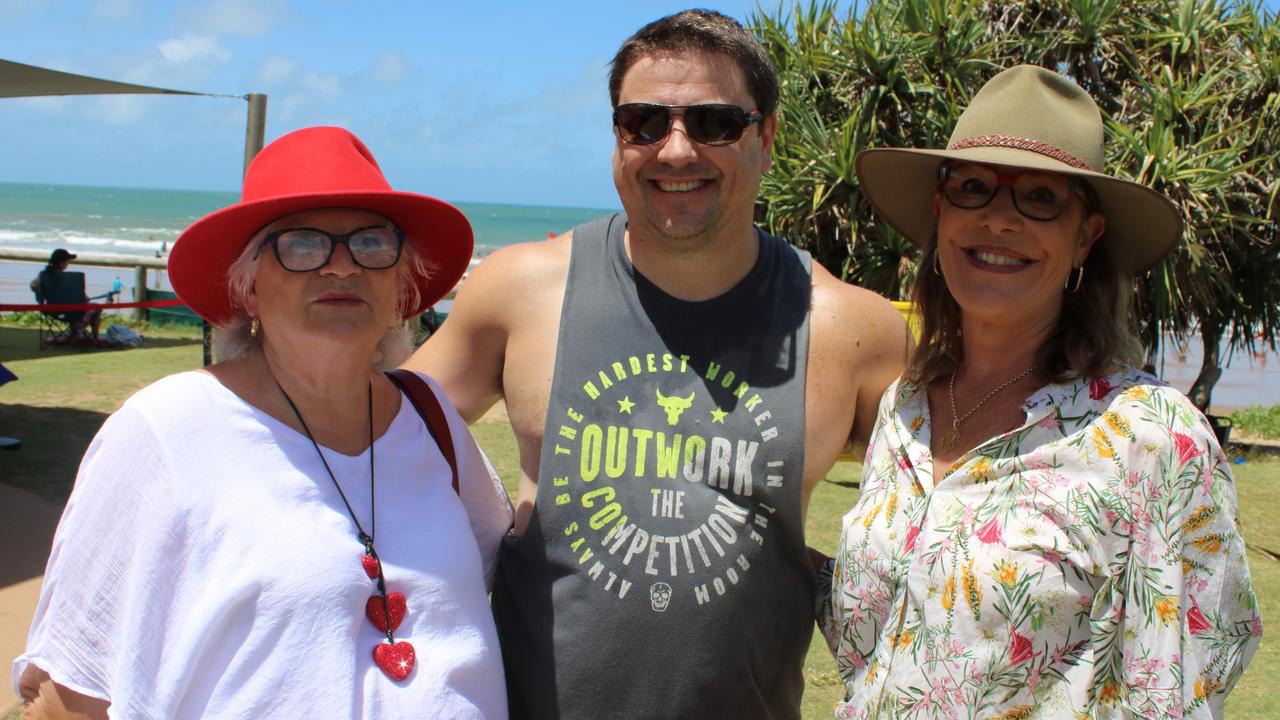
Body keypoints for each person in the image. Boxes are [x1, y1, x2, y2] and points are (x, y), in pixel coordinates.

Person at [404, 9, 908, 719]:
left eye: (713, 123)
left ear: (764, 138)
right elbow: (374, 435)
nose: (675, 150)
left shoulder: (851, 328)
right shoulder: (519, 291)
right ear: (616, 136)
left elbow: (958, 515)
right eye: (643, 122)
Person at [13, 126, 512, 719]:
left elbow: (488, 580)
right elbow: (65, 696)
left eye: (371, 243)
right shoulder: (167, 431)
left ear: (401, 282)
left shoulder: (430, 418)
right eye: (302, 246)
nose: (341, 268)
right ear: (248, 287)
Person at [822, 65, 1261, 718]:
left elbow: (1178, 688)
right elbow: (901, 634)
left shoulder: (1149, 441)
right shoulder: (906, 409)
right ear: (941, 213)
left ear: (1086, 236)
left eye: (1041, 197)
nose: (1000, 217)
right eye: (973, 188)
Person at [30, 248, 102, 343]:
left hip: (52, 310)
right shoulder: (72, 279)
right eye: (67, 261)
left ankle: (73, 334)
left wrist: (43, 296)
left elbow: (34, 286)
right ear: (61, 263)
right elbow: (84, 299)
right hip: (75, 311)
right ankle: (93, 337)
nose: (68, 263)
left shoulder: (43, 275)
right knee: (96, 307)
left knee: (77, 309)